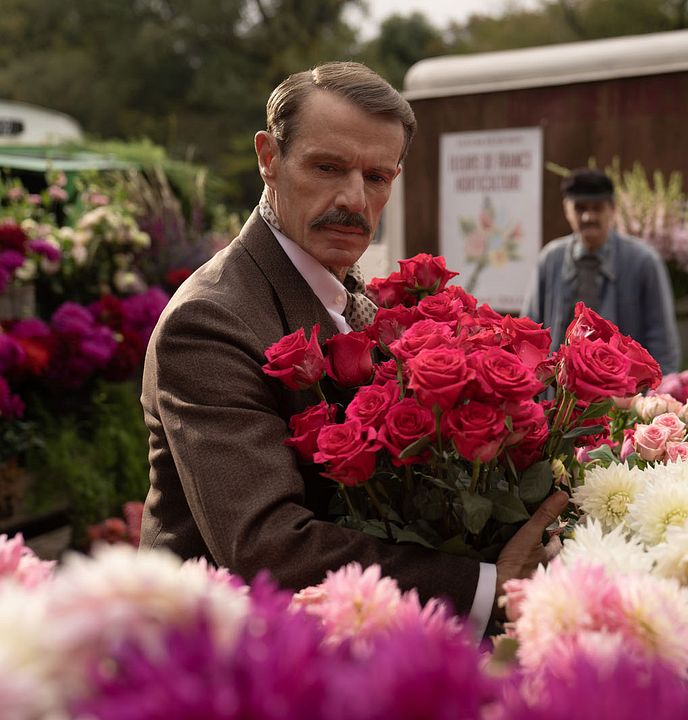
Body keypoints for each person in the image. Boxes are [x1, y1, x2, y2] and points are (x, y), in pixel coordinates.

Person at [139, 61, 566, 633]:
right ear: (269, 159)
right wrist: (487, 584)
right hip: (225, 662)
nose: (353, 199)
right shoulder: (211, 319)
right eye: (327, 167)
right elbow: (268, 547)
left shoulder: (350, 291)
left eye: (377, 177)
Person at [522, 167, 681, 375]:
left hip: (623, 397)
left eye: (597, 208)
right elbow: (530, 332)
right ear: (567, 210)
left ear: (613, 209)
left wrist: (653, 399)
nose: (589, 216)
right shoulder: (550, 259)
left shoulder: (644, 262)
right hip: (560, 397)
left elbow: (663, 343)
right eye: (580, 208)